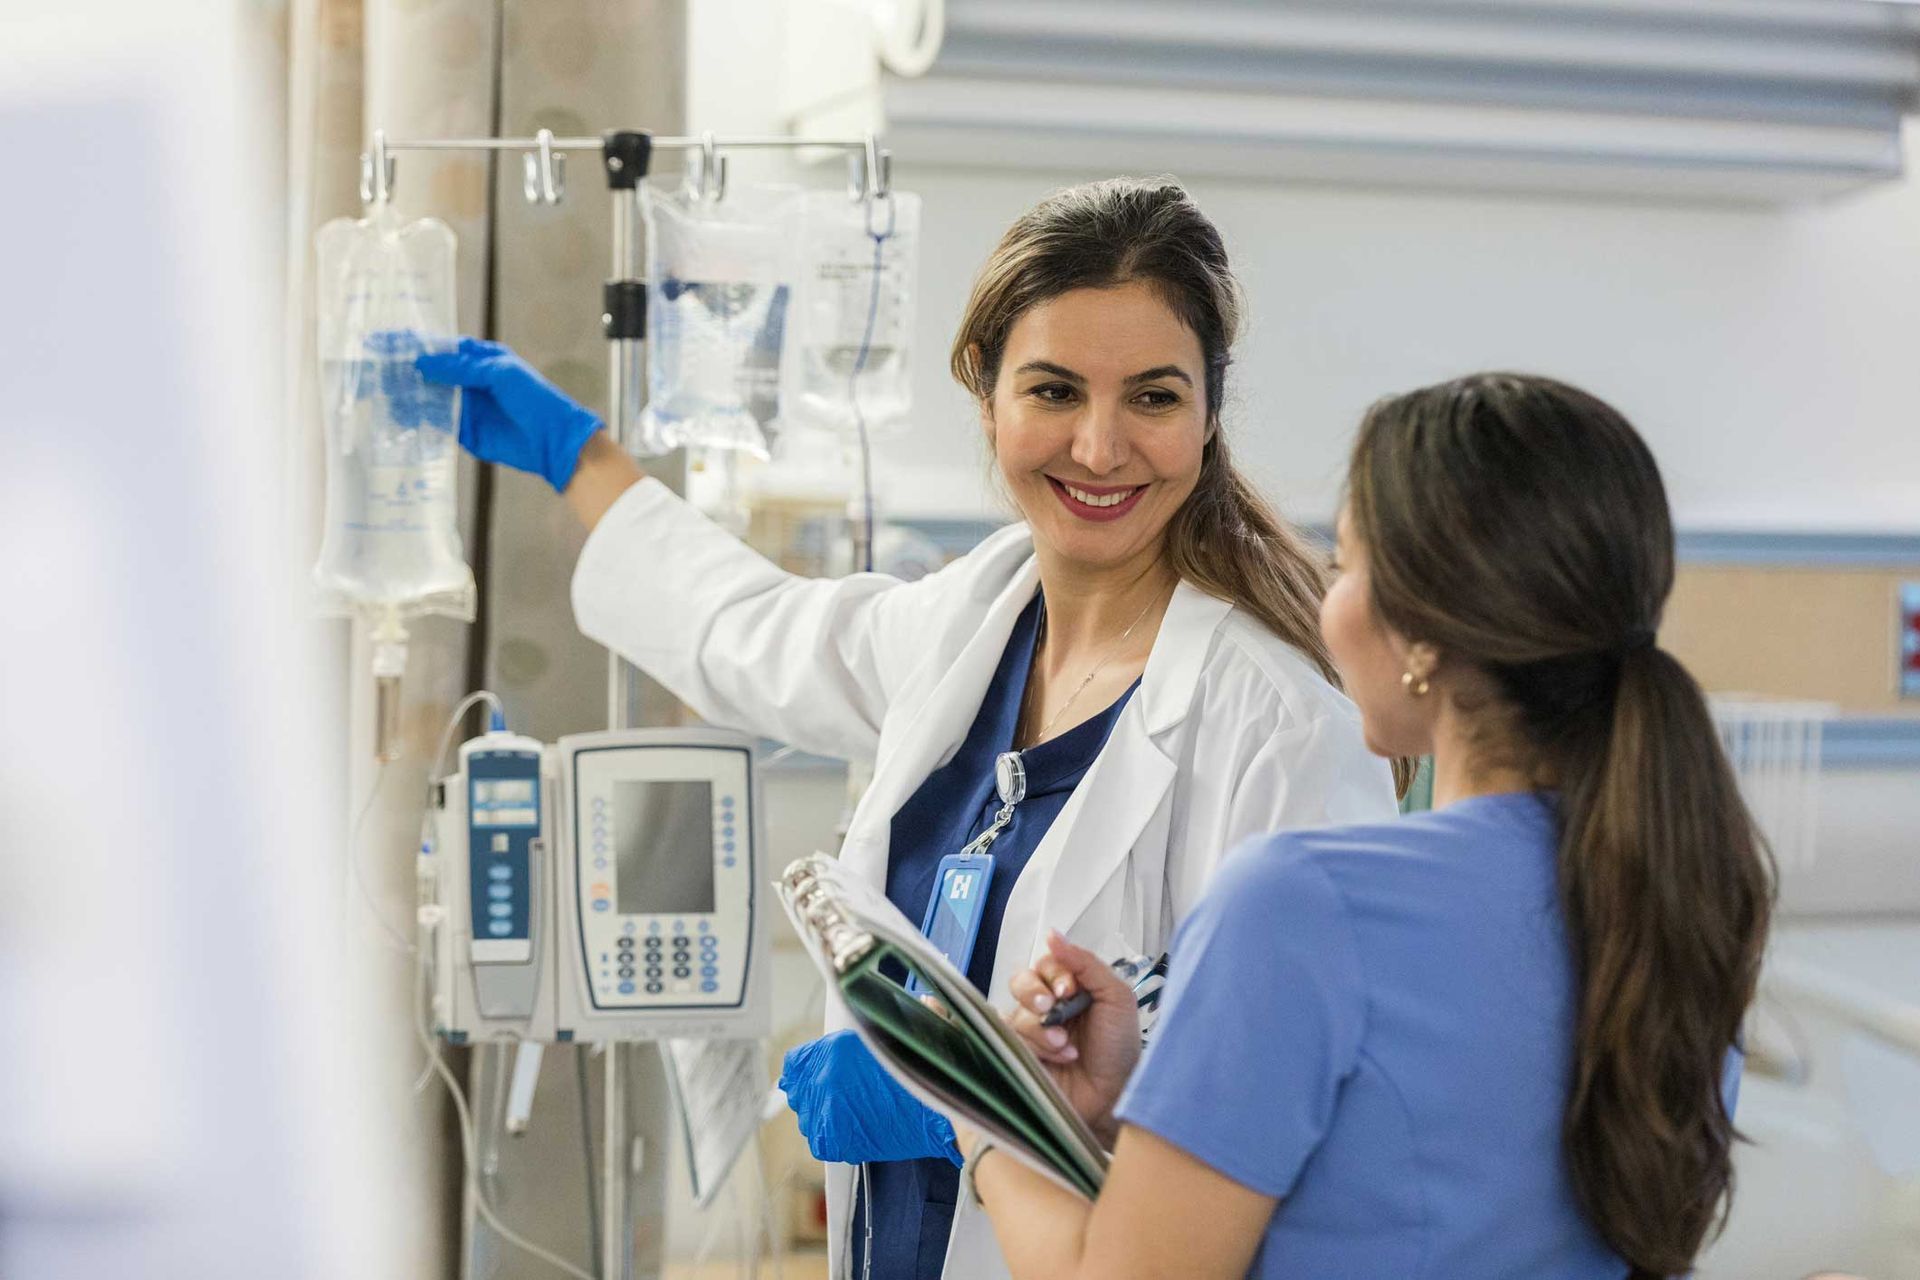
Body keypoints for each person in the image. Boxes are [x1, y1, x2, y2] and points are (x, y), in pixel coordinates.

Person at [415, 177, 1398, 1279]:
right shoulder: (970, 621)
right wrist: (580, 459)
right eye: (1054, 390)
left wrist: (969, 1106)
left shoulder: (1278, 727)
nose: (1099, 445)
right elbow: (749, 631)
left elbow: (1302, 1097)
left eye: (1154, 398)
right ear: (985, 393)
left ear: (1210, 411)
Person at [968, 373, 1773, 1279]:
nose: (1327, 598)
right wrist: (1156, 1103)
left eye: (1346, 565)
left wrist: (993, 1112)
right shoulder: (1681, 894)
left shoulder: (1303, 903)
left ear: (1422, 634)